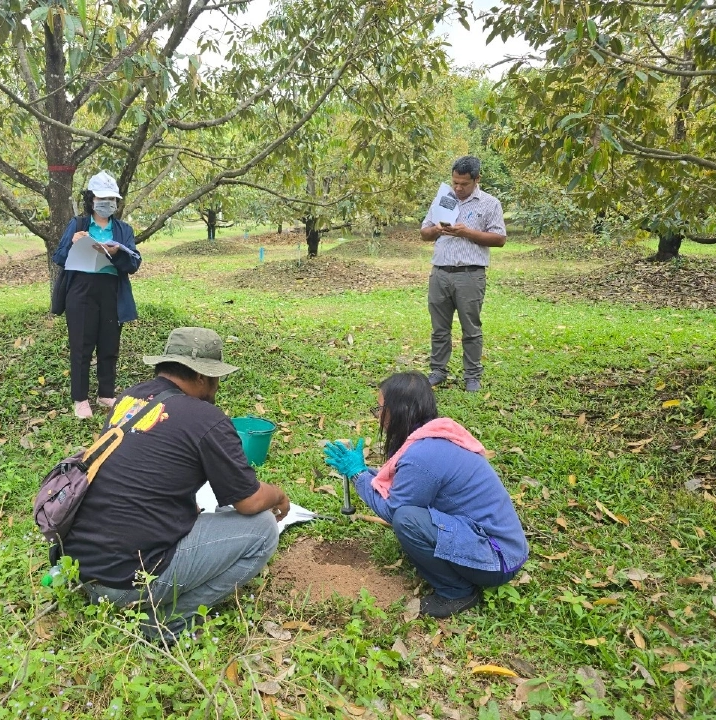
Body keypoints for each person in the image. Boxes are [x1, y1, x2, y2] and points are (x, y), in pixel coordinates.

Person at [59, 327, 290, 641]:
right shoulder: (206, 419)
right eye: (215, 377)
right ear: (201, 377)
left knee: (197, 511)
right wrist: (278, 495)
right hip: (127, 581)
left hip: (81, 569)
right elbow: (248, 501)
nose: (217, 386)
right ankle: (165, 623)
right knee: (262, 529)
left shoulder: (130, 398)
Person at [323, 371, 528, 618]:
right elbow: (404, 485)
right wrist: (365, 472)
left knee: (406, 519)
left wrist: (357, 475)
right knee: (409, 515)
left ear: (398, 410)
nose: (377, 417)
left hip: (496, 559)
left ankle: (457, 591)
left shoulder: (422, 456)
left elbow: (393, 509)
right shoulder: (434, 436)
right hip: (501, 546)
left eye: (379, 409)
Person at [52, 171, 141, 419]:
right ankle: (80, 399)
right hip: (80, 291)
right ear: (91, 199)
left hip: (112, 291)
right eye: (103, 198)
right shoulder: (78, 224)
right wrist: (73, 242)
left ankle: (106, 393)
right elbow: (58, 258)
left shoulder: (123, 230)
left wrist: (117, 252)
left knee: (109, 343)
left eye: (112, 199)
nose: (108, 203)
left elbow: (134, 264)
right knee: (81, 344)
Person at [420, 156, 506, 393]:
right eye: (455, 182)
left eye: (464, 184)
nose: (458, 188)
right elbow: (424, 233)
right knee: (439, 328)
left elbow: (499, 239)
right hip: (440, 273)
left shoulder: (490, 204)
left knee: (471, 328)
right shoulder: (444, 200)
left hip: (470, 274)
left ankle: (472, 376)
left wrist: (467, 232)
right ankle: (438, 371)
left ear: (477, 180)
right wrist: (436, 229)